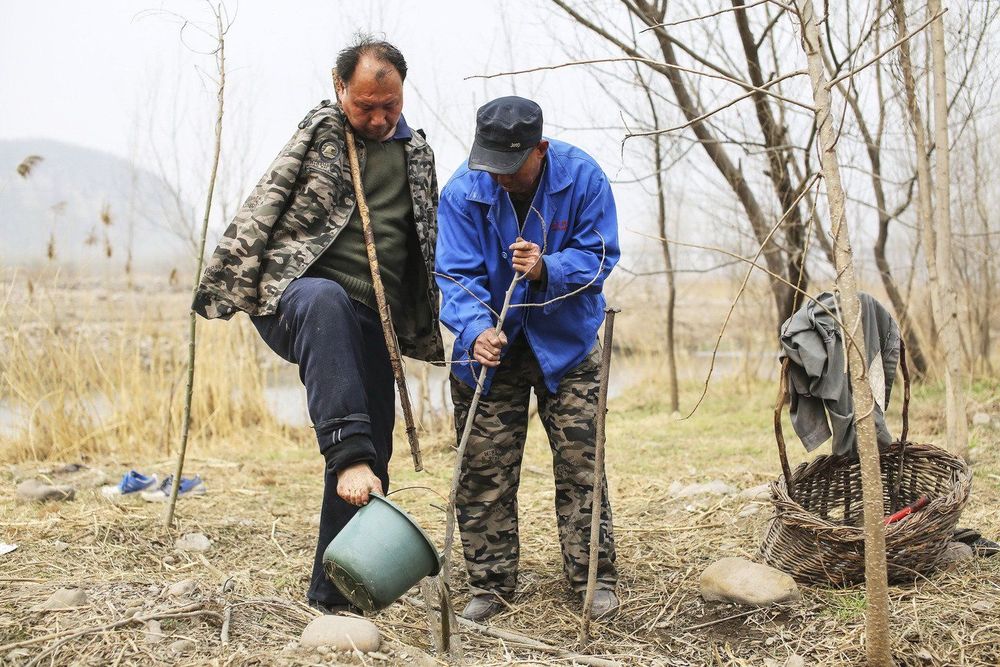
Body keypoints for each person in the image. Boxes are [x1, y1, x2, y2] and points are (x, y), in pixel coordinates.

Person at [192, 36, 443, 614]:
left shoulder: (419, 156)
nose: (378, 118)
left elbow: (427, 241)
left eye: (391, 106)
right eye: (365, 106)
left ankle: (336, 595)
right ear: (339, 90)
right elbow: (267, 199)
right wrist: (229, 280)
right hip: (299, 300)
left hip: (373, 318)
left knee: (374, 453)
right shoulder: (323, 133)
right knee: (328, 302)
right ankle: (348, 452)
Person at [435, 96, 621, 622]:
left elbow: (601, 256)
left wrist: (547, 268)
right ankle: (490, 585)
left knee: (583, 464)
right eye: (490, 166)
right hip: (491, 352)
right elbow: (454, 275)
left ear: (539, 149)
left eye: (511, 167)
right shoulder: (462, 192)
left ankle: (593, 578)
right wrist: (475, 331)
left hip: (567, 345)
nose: (499, 178)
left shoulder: (583, 178)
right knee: (483, 468)